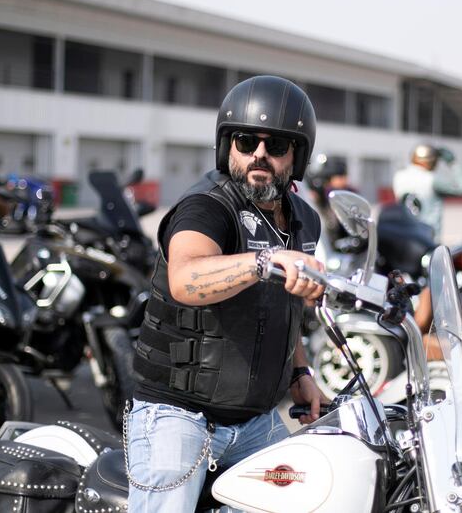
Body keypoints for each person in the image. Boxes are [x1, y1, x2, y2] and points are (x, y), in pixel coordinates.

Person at [126, 75, 328, 511]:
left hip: (255, 422)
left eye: (275, 145)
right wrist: (265, 262)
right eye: (244, 140)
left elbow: (284, 308)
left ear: (297, 154)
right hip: (178, 416)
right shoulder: (207, 206)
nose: (259, 154)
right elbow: (186, 278)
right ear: (227, 146)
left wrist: (300, 374)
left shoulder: (304, 221)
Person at [393, 144, 462, 244]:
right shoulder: (432, 179)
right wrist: (452, 163)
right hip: (429, 239)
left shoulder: (399, 176)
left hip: (406, 236)